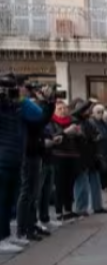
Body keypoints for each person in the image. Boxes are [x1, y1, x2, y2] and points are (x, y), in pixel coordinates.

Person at [11, 85, 54, 245]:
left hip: (35, 151)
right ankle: (23, 229)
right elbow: (40, 118)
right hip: (27, 153)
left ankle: (30, 225)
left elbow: (42, 119)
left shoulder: (26, 105)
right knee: (27, 192)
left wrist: (49, 102)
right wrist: (45, 102)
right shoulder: (21, 105)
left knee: (33, 193)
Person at [47, 100, 84, 222]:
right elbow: (52, 138)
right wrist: (65, 132)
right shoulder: (51, 122)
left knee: (70, 184)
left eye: (64, 108)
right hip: (58, 156)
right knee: (59, 185)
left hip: (72, 156)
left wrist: (79, 134)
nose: (63, 111)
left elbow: (81, 140)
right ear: (54, 111)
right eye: (60, 109)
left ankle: (68, 209)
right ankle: (58, 211)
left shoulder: (73, 121)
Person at [74, 104, 107, 216]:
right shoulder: (77, 121)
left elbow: (97, 134)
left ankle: (97, 206)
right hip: (83, 155)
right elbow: (85, 137)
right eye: (85, 110)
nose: (87, 112)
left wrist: (95, 137)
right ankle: (81, 208)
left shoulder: (88, 122)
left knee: (95, 182)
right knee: (82, 184)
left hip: (93, 154)